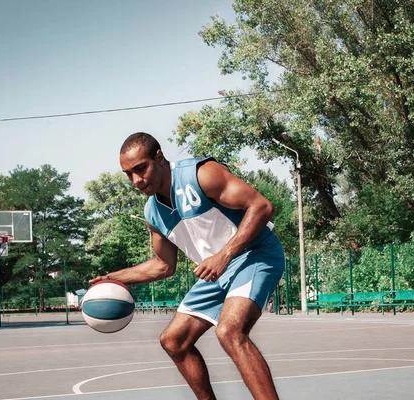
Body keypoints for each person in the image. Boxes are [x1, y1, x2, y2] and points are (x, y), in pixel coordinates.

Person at [90, 132, 285, 399]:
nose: (136, 180)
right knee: (174, 341)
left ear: (159, 158)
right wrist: (114, 278)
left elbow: (261, 206)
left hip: (255, 254)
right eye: (128, 174)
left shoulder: (201, 175)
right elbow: (163, 265)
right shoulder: (153, 212)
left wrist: (223, 255)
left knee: (229, 331)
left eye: (140, 169)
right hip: (217, 271)